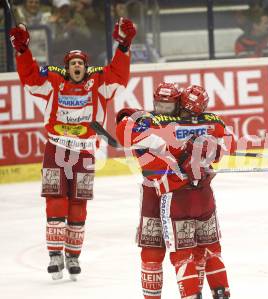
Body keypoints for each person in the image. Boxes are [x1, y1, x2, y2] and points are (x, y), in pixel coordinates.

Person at [9, 17, 136, 280]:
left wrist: (123, 47)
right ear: (67, 67)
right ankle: (55, 254)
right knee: (55, 201)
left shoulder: (99, 82)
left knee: (78, 203)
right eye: (72, 63)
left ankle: (73, 256)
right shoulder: (53, 81)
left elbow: (119, 75)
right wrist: (22, 51)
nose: (77, 66)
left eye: (81, 63)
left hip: (85, 152)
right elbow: (30, 76)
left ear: (85, 66)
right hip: (56, 149)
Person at [115, 84, 233, 298]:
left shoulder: (155, 124)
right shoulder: (198, 122)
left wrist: (131, 118)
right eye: (159, 104)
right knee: (156, 251)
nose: (162, 109)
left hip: (172, 192)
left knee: (190, 249)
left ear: (178, 104)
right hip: (159, 191)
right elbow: (226, 140)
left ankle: (193, 293)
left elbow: (125, 129)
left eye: (168, 105)